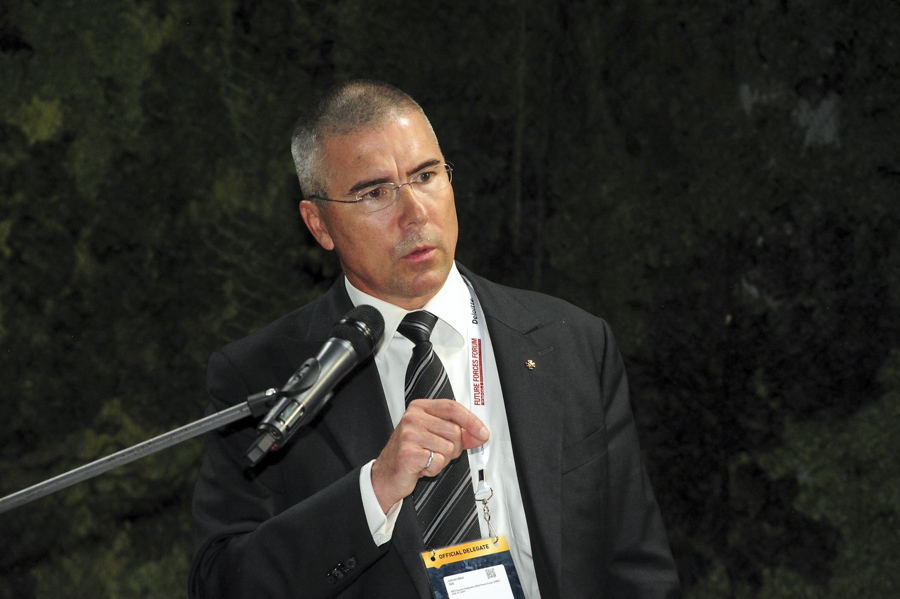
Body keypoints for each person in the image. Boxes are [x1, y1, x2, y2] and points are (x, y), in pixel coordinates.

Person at [190, 80, 681, 599]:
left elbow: (639, 569)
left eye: (425, 176)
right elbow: (221, 583)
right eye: (375, 192)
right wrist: (374, 490)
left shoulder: (573, 343)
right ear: (319, 225)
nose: (415, 213)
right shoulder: (264, 376)